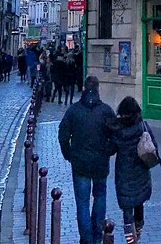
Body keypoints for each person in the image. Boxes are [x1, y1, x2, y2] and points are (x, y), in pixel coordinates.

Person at [58, 75, 116, 244]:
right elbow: (115, 135)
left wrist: (69, 154)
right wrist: (108, 151)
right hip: (99, 162)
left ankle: (87, 239)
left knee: (82, 203)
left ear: (84, 89)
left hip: (80, 163)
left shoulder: (74, 111)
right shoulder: (105, 111)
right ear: (97, 89)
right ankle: (97, 237)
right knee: (100, 198)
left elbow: (62, 134)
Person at [111, 97, 159, 244]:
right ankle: (138, 229)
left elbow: (111, 149)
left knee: (127, 209)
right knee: (139, 201)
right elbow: (154, 146)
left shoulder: (118, 130)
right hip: (140, 171)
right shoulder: (142, 126)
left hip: (124, 173)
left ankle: (130, 240)